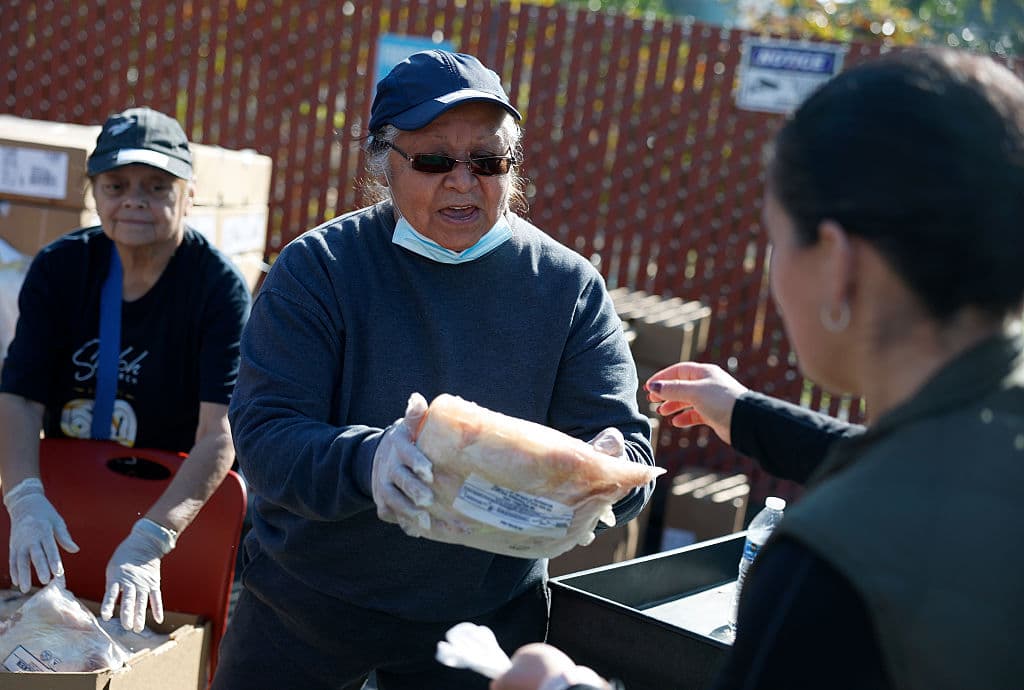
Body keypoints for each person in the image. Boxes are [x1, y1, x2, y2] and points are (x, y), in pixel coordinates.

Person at [491, 46, 1024, 690]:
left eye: (778, 238)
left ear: (838, 263)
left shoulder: (826, 566)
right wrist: (745, 414)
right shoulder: (984, 434)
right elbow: (905, 463)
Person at [211, 49, 656, 690]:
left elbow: (627, 445)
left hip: (479, 626)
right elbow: (264, 434)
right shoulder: (319, 269)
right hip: (309, 612)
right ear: (383, 163)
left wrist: (608, 472)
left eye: (487, 161)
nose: (462, 182)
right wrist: (369, 461)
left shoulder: (567, 288)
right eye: (433, 160)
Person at [0, 107, 252, 632]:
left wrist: (151, 541)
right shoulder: (59, 268)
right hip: (72, 499)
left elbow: (219, 433)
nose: (134, 200)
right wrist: (24, 499)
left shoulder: (217, 288)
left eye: (157, 187)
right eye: (116, 185)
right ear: (93, 192)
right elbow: (19, 397)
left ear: (189, 194)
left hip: (175, 506)